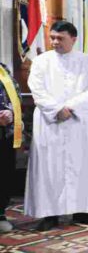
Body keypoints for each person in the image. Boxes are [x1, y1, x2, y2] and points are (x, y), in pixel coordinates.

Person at [25, 21, 88, 231]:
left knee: (81, 166)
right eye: (52, 38)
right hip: (51, 122)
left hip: (78, 122)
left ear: (74, 39)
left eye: (60, 38)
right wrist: (57, 109)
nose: (55, 42)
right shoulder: (41, 61)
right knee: (49, 168)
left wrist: (70, 107)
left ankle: (83, 210)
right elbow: (37, 89)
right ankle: (49, 213)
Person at [0, 61, 22, 232]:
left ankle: (0, 214)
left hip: (5, 133)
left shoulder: (3, 69)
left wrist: (11, 112)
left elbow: (16, 94)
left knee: (4, 174)